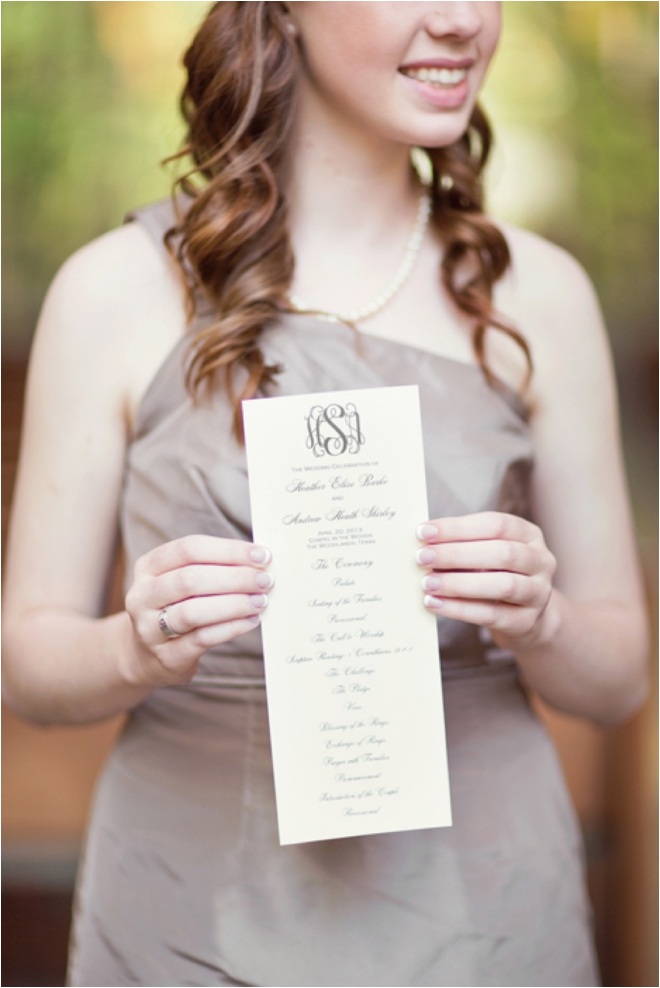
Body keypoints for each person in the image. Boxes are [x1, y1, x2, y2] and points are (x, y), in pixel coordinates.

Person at [2, 3, 648, 986]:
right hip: (191, 915)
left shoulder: (538, 296)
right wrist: (130, 645)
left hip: (485, 916)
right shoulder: (111, 293)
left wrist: (543, 615)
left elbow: (619, 679)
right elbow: (27, 664)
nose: (462, 20)